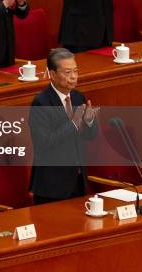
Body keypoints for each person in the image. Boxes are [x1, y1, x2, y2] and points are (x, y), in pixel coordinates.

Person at [29, 48, 98, 204]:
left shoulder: (78, 96)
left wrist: (89, 121)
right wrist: (73, 123)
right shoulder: (41, 103)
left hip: (78, 181)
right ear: (52, 74)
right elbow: (44, 143)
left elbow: (90, 135)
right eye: (67, 73)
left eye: (75, 71)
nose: (73, 77)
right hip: (51, 187)